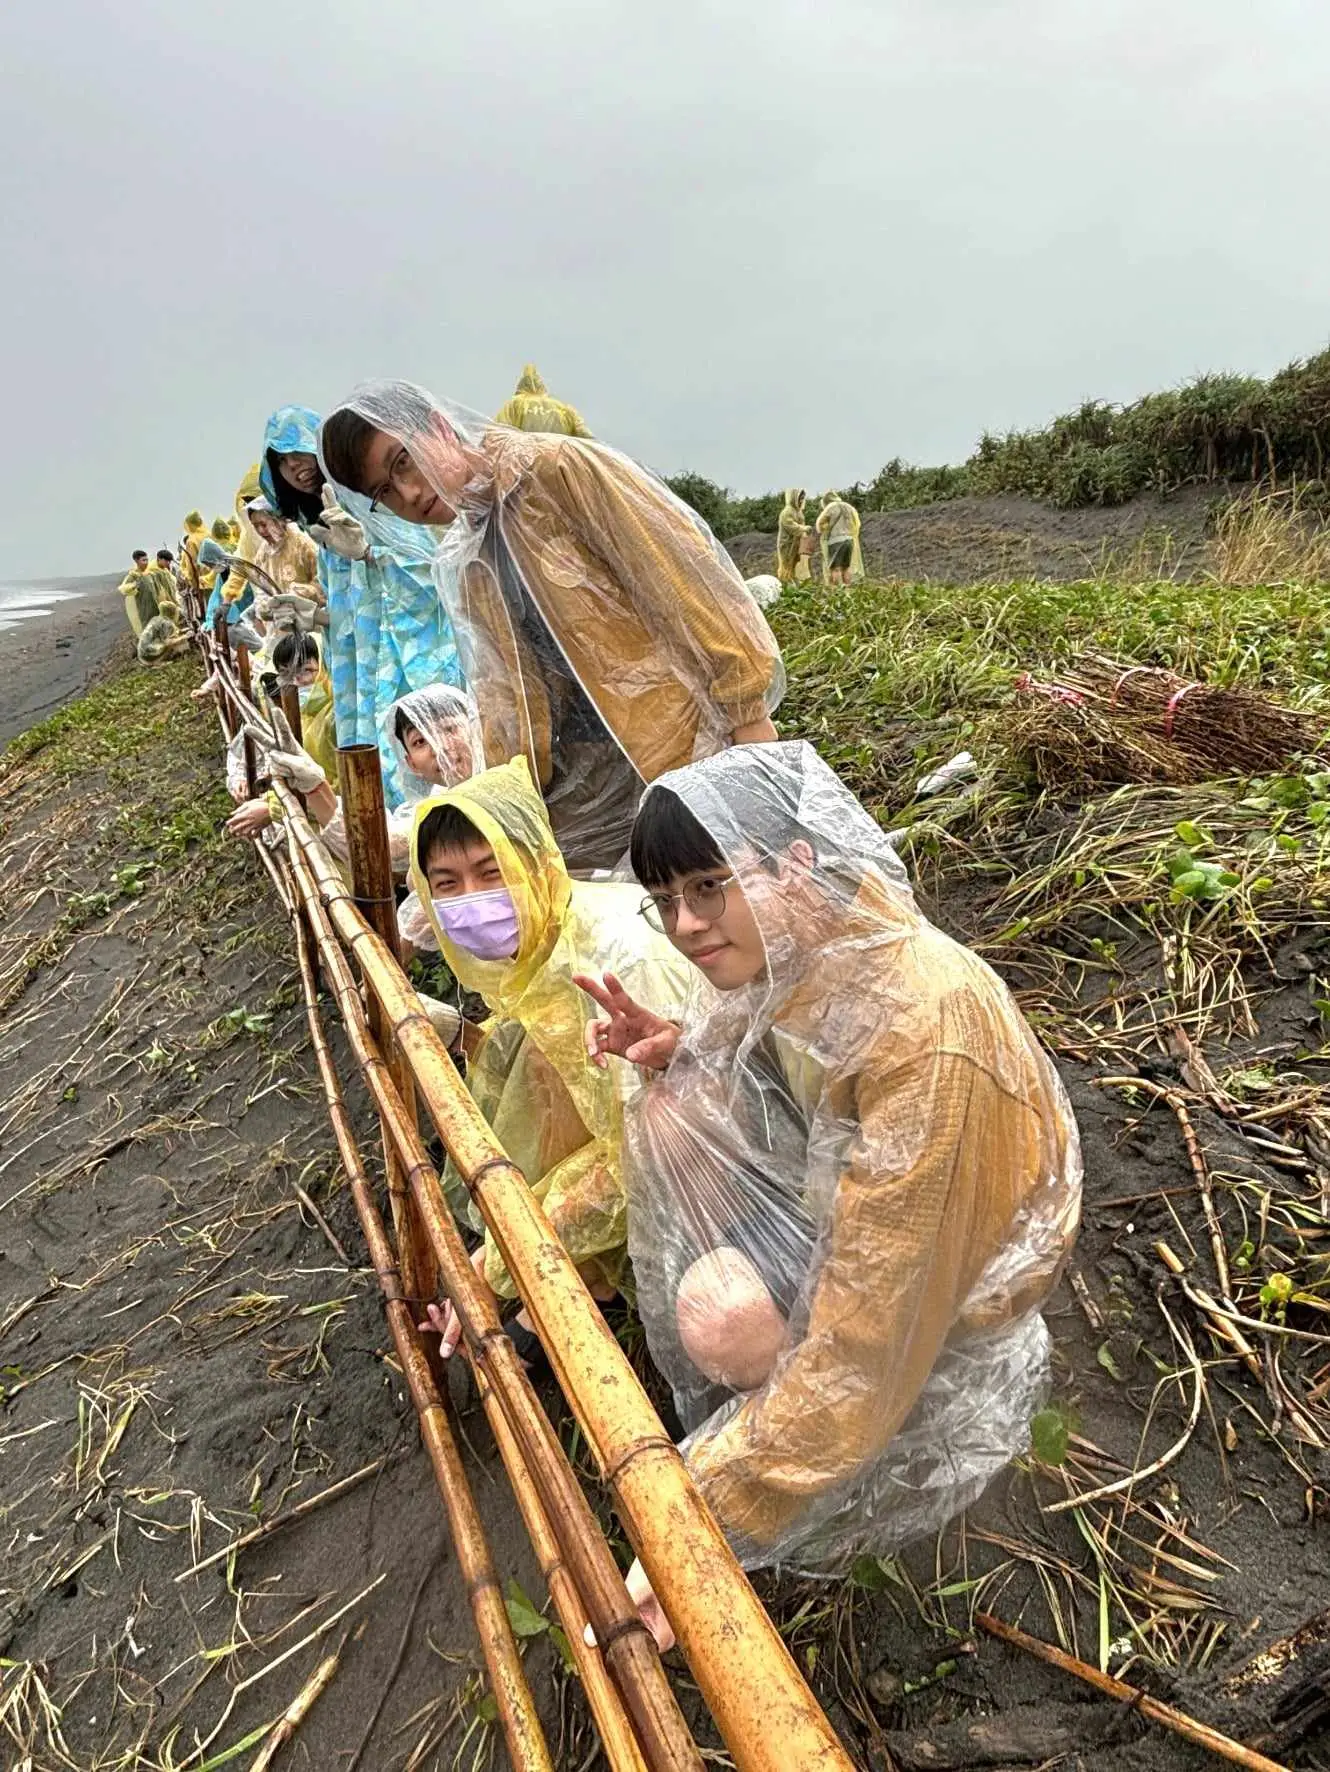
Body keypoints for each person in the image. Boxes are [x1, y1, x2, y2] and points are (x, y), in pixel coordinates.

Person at [580, 742, 1081, 1643]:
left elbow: (871, 1318)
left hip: (954, 1291)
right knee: (672, 1114)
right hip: (866, 1219)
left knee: (723, 1317)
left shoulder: (923, 1031)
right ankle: (807, 1415)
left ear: (798, 863)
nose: (687, 925)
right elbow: (772, 1078)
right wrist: (680, 1050)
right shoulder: (813, 952)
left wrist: (707, 1506)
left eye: (709, 885)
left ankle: (873, 1425)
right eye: (666, 903)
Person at [318, 381, 784, 872]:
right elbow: (504, 696)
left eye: (403, 461)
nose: (409, 493)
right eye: (383, 492)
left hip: (684, 748)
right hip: (586, 787)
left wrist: (748, 724)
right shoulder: (466, 558)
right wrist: (507, 803)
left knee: (731, 904)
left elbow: (689, 588)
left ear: (437, 426)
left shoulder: (558, 470)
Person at [407, 758, 692, 1365]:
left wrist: (503, 1252)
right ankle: (591, 1277)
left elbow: (639, 1149)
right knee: (532, 1058)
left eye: (491, 872)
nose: (472, 900)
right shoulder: (541, 940)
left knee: (549, 1070)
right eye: (447, 883)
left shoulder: (611, 961)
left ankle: (594, 1277)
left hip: (704, 1145)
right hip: (645, 1122)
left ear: (536, 865)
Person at [259, 404, 461, 806]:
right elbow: (355, 613)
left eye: (298, 451)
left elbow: (433, 576)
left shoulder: (375, 504)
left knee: (429, 759)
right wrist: (317, 617)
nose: (296, 467)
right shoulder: (321, 531)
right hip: (362, 673)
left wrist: (369, 552)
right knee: (379, 763)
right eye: (282, 462)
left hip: (406, 665)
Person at [494, 363, 593, 436]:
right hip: (558, 456)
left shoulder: (514, 404)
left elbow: (498, 431)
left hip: (526, 457)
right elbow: (583, 433)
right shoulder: (562, 407)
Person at [815, 491, 864, 586]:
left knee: (835, 568)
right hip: (849, 540)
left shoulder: (830, 507)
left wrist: (827, 529)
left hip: (835, 541)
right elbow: (857, 524)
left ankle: (837, 590)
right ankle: (848, 588)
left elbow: (819, 525)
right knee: (846, 567)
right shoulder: (849, 507)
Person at [119, 550, 169, 636]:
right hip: (144, 609)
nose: (146, 563)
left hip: (156, 607)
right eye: (143, 560)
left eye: (147, 560)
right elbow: (123, 589)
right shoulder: (133, 575)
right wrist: (134, 585)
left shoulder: (150, 574)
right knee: (149, 630)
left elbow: (159, 589)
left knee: (160, 627)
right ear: (136, 561)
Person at [776, 489, 811, 584]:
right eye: (800, 498)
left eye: (803, 498)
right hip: (787, 544)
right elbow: (790, 526)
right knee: (786, 566)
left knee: (795, 565)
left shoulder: (798, 511)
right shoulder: (787, 512)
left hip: (796, 544)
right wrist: (803, 529)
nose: (802, 501)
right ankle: (785, 586)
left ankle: (794, 584)